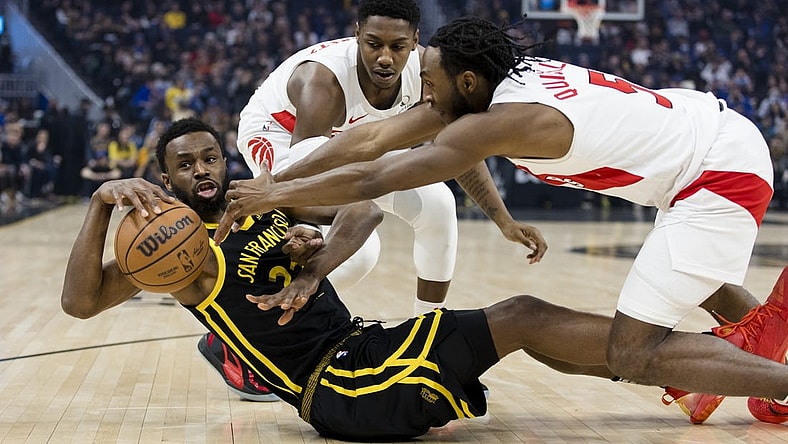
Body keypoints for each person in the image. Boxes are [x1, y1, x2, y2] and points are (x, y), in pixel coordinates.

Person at [215, 17, 788, 424]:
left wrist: (273, 196)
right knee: (688, 278)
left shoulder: (496, 121)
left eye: (430, 84)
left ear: (466, 83)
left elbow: (373, 178)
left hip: (716, 175)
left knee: (632, 351)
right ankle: (756, 341)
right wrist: (276, 181)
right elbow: (369, 137)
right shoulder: (497, 82)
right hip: (705, 135)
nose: (424, 97)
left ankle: (756, 372)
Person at [61, 117, 595, 440]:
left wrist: (314, 265)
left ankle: (639, 368)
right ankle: (656, 365)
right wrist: (100, 203)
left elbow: (362, 209)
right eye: (185, 165)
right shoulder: (177, 252)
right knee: (522, 317)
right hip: (336, 386)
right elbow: (79, 303)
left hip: (359, 347)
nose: (202, 170)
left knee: (521, 323)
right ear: (166, 179)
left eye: (210, 158)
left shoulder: (259, 201)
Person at [235, 0, 542, 317]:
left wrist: (503, 220)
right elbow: (306, 179)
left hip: (357, 139)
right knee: (360, 254)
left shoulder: (427, 71)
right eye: (373, 44)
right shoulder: (322, 81)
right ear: (357, 34)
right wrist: (306, 227)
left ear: (414, 40)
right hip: (282, 137)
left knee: (438, 204)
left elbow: (456, 147)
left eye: (397, 46)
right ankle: (258, 321)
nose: (385, 58)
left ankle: (428, 327)